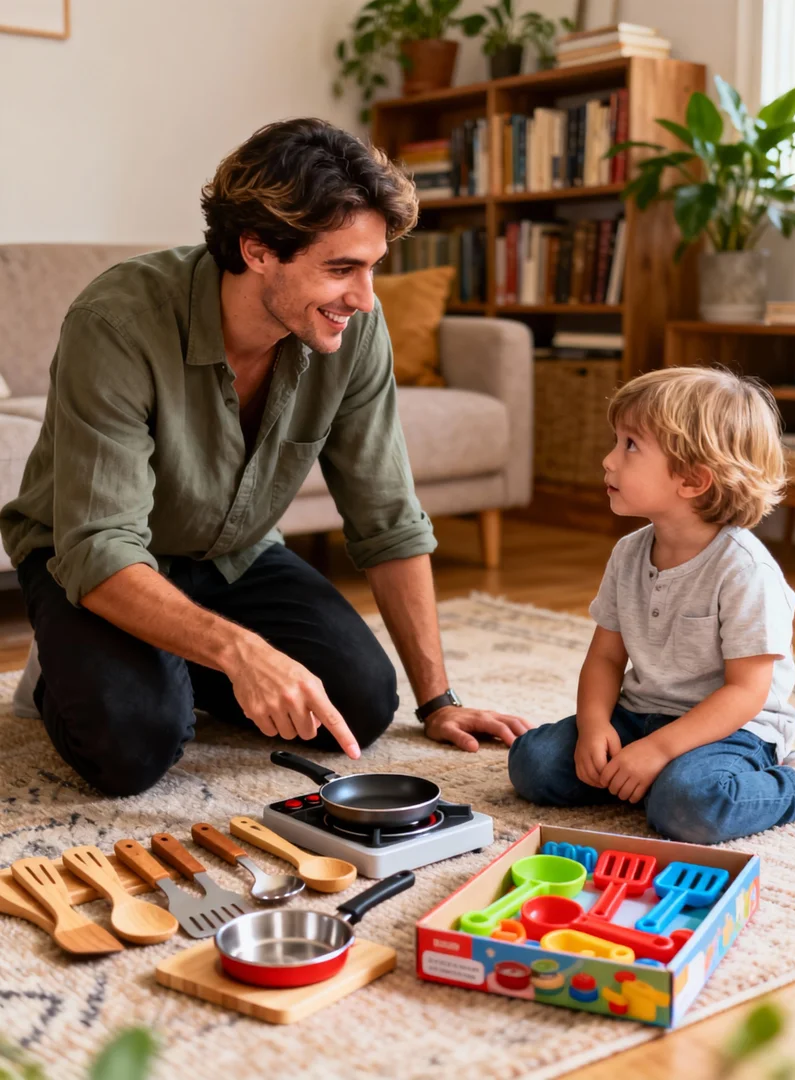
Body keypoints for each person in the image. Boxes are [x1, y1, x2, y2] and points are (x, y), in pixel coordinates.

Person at [0, 118, 529, 797]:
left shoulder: (354, 330)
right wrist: (241, 651)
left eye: (371, 268)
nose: (364, 299)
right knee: (132, 745)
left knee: (362, 703)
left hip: (233, 553)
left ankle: (168, 663)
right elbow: (100, 546)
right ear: (256, 250)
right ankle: (68, 668)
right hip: (94, 562)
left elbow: (387, 516)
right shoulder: (117, 322)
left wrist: (439, 701)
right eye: (340, 269)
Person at [508, 366, 795, 844]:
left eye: (630, 445)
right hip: (641, 712)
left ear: (692, 480)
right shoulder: (629, 552)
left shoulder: (745, 570)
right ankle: (646, 779)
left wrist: (660, 750)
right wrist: (593, 726)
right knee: (534, 762)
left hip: (731, 729)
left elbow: (745, 693)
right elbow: (605, 657)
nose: (608, 460)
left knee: (689, 806)